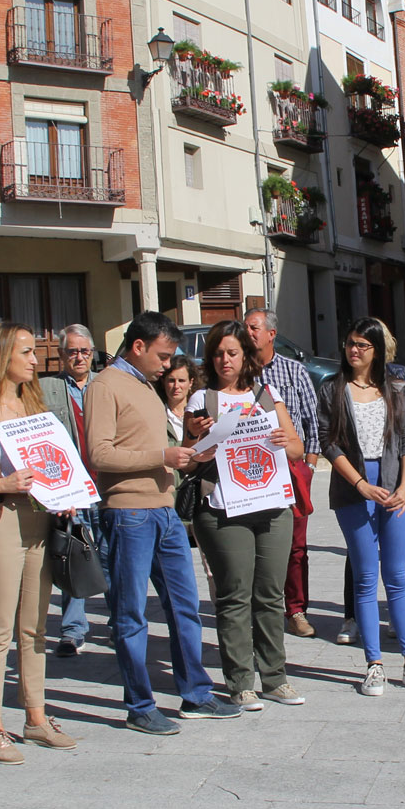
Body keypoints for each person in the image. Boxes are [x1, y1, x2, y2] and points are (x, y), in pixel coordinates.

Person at [86, 311, 241, 732]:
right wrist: (163, 456)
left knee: (185, 605)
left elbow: (156, 449)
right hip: (128, 513)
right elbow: (99, 454)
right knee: (131, 613)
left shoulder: (144, 385)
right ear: (137, 346)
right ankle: (140, 706)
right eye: (162, 355)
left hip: (165, 510)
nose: (167, 364)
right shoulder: (105, 386)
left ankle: (196, 694)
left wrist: (191, 451)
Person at [0, 322, 82, 763]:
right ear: (1, 356)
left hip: (40, 519)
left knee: (35, 625)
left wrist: (66, 494)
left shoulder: (35, 406)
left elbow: (57, 462)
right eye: (25, 351)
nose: (34, 359)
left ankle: (36, 717)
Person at [189, 320, 304, 710]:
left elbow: (296, 449)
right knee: (235, 595)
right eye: (218, 353)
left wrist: (285, 440)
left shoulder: (266, 394)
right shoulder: (201, 400)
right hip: (224, 509)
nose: (225, 360)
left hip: (271, 505)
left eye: (232, 353)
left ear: (245, 356)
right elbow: (188, 459)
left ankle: (275, 678)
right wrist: (200, 442)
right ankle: (240, 682)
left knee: (270, 595)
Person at [319, 317, 405, 696]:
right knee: (366, 578)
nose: (354, 350)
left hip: (394, 486)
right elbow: (329, 442)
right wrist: (361, 484)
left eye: (362, 345)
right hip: (354, 488)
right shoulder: (333, 388)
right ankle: (374, 665)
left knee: (397, 576)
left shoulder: (395, 387)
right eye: (350, 343)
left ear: (377, 350)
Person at [244, 308, 321, 639]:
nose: (249, 333)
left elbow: (313, 422)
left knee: (295, 546)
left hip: (291, 469)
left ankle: (296, 610)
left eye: (254, 328)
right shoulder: (239, 374)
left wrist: (309, 467)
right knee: (252, 544)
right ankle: (260, 609)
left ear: (271, 334)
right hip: (249, 472)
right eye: (245, 328)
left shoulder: (294, 371)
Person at [48, 324, 102, 657]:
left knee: (111, 557)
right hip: (70, 490)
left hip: (105, 486)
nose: (79, 357)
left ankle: (120, 623)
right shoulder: (46, 389)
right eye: (72, 351)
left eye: (84, 351)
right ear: (61, 355)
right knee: (73, 557)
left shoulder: (106, 385)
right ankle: (72, 630)